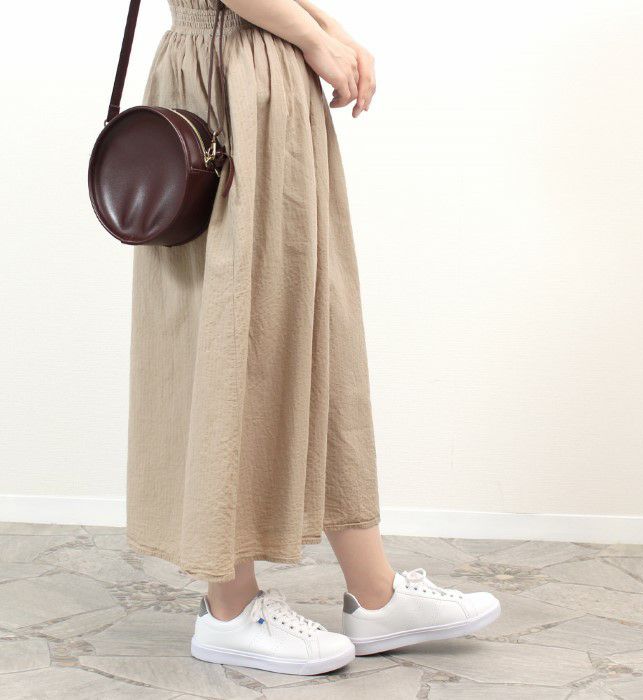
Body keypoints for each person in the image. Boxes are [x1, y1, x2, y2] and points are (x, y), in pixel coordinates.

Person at [127, 0, 500, 675]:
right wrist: (312, 36)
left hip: (268, 75)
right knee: (230, 334)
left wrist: (328, 30)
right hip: (226, 75)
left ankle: (375, 592)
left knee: (312, 326)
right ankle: (229, 608)